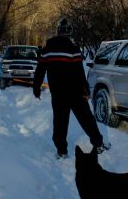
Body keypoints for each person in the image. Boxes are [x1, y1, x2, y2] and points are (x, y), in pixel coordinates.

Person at [33, 18, 111, 159]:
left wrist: (36, 88)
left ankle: (62, 151)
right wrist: (86, 91)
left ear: (58, 31)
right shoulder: (73, 49)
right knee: (87, 119)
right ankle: (98, 144)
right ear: (70, 33)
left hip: (58, 94)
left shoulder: (47, 49)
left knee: (60, 122)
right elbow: (79, 73)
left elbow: (40, 70)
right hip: (75, 93)